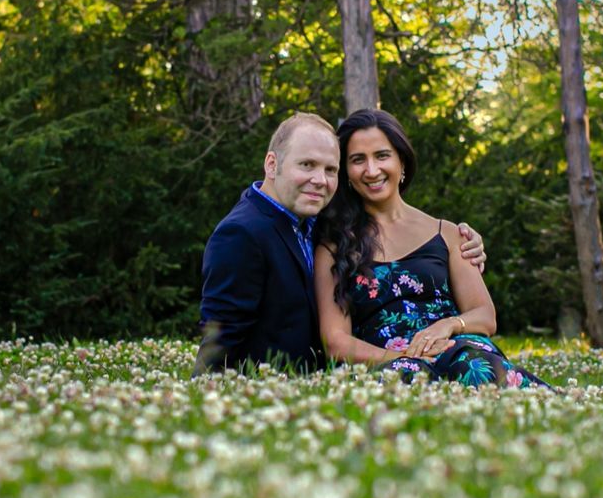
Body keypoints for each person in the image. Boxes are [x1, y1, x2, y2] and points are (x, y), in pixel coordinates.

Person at [194, 113, 485, 375]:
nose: (319, 180)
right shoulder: (241, 232)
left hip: (334, 379)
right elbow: (220, 337)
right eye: (307, 165)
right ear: (272, 164)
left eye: (330, 170)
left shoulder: (317, 222)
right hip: (276, 388)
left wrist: (469, 242)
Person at [313, 109, 548, 388]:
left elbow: (485, 315)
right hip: (388, 360)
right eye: (357, 160)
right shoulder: (334, 246)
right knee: (409, 378)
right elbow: (336, 342)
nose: (371, 170)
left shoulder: (448, 234)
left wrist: (447, 325)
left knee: (474, 366)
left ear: (402, 161)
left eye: (382, 156)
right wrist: (403, 355)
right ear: (346, 173)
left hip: (457, 346)